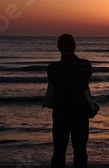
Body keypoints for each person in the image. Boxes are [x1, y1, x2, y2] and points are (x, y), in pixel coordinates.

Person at [47, 34, 93, 168]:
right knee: (80, 151)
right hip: (80, 114)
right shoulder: (85, 65)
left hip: (61, 115)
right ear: (74, 46)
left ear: (59, 48)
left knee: (59, 151)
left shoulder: (52, 68)